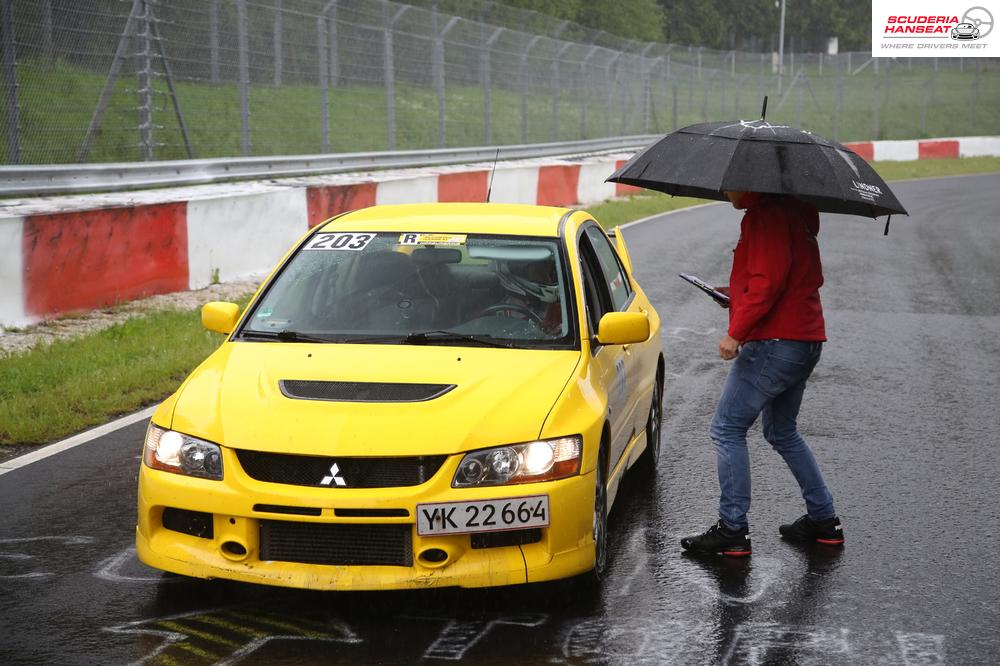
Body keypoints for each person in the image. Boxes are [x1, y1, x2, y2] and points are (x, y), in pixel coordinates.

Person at [681, 191, 844, 557]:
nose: (726, 192)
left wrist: (735, 332)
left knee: (726, 428)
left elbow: (768, 283)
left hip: (774, 342)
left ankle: (733, 530)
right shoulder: (796, 212)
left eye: (731, 185)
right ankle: (824, 520)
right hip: (804, 338)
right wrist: (735, 295)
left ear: (752, 182)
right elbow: (782, 279)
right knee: (782, 431)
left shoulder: (765, 216)